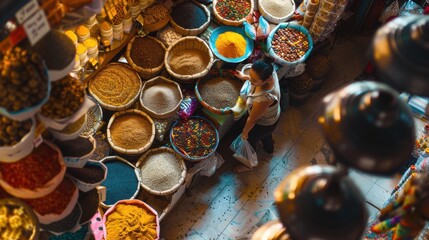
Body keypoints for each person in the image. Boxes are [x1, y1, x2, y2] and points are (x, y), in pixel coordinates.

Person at [234, 55, 281, 154]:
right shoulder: (270, 71)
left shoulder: (264, 98)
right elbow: (255, 78)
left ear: (267, 79)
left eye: (254, 80)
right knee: (266, 135)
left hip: (264, 123)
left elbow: (252, 119)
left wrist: (245, 133)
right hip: (272, 117)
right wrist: (245, 77)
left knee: (250, 141)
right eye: (250, 76)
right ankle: (269, 149)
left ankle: (248, 165)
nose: (250, 81)